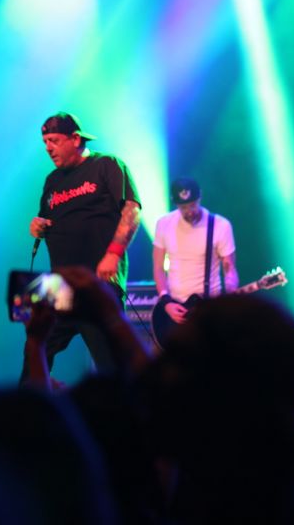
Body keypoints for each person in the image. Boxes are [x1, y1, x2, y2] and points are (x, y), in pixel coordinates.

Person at [28, 112, 141, 374]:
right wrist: (37, 227)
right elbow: (44, 221)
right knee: (36, 347)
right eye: (45, 142)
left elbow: (132, 210)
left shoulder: (106, 164)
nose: (48, 148)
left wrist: (113, 254)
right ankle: (29, 398)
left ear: (75, 139)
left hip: (95, 283)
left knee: (110, 362)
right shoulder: (52, 181)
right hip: (59, 284)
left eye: (54, 141)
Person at [152, 177, 238, 326]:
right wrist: (166, 301)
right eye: (183, 207)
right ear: (176, 204)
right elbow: (158, 267)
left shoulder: (220, 225)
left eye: (193, 205)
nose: (189, 212)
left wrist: (231, 290)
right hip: (175, 307)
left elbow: (229, 267)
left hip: (209, 307)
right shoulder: (164, 224)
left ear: (200, 198)